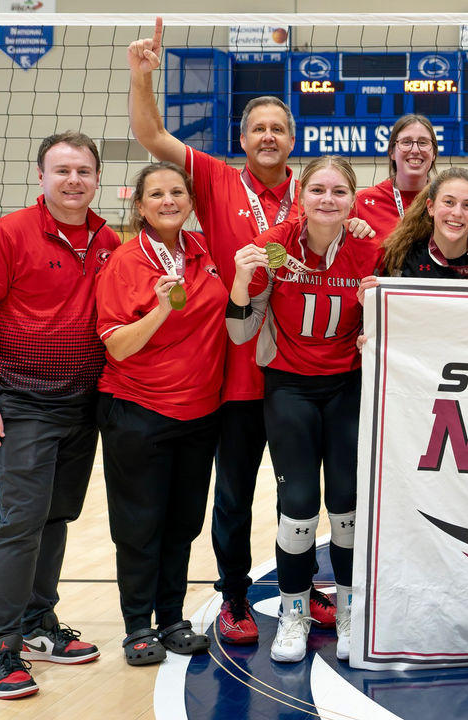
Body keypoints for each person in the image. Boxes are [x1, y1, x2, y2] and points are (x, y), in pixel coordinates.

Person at [127, 17, 339, 641]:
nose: (268, 136)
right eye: (258, 128)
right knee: (235, 496)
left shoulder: (318, 192)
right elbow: (152, 135)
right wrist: (144, 77)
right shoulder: (216, 178)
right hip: (240, 369)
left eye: (279, 128)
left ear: (293, 138)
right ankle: (235, 598)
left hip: (305, 371)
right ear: (241, 138)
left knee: (303, 494)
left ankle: (303, 587)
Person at [0, 131, 117, 699]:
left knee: (56, 516)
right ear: (41, 177)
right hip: (21, 401)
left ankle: (34, 624)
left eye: (83, 171)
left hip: (83, 403)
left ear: (97, 179)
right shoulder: (6, 234)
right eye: (61, 170)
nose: (73, 180)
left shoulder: (109, 240)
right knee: (21, 520)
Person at [227, 156, 379, 663]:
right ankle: (294, 613)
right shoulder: (274, 244)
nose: (328, 200)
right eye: (318, 190)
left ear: (353, 200)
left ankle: (351, 610)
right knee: (298, 512)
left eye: (339, 191)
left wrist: (377, 318)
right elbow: (241, 332)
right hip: (289, 388)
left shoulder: (370, 248)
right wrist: (240, 283)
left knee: (347, 509)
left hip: (347, 390)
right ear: (301, 196)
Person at [95, 162, 226, 666]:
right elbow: (118, 349)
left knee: (183, 523)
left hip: (200, 412)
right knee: (139, 524)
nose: (169, 200)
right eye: (157, 194)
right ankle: (136, 627)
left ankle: (171, 617)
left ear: (190, 201)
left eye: (177, 192)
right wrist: (160, 310)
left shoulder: (203, 252)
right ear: (140, 205)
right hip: (138, 410)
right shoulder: (125, 262)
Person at [382, 167, 468, 279]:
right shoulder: (403, 258)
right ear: (431, 207)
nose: (457, 213)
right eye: (449, 202)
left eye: (467, 205)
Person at [353, 114, 438, 240]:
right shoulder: (361, 203)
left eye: (423, 142)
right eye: (406, 142)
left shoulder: (447, 202)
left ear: (434, 154)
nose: (415, 150)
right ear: (391, 152)